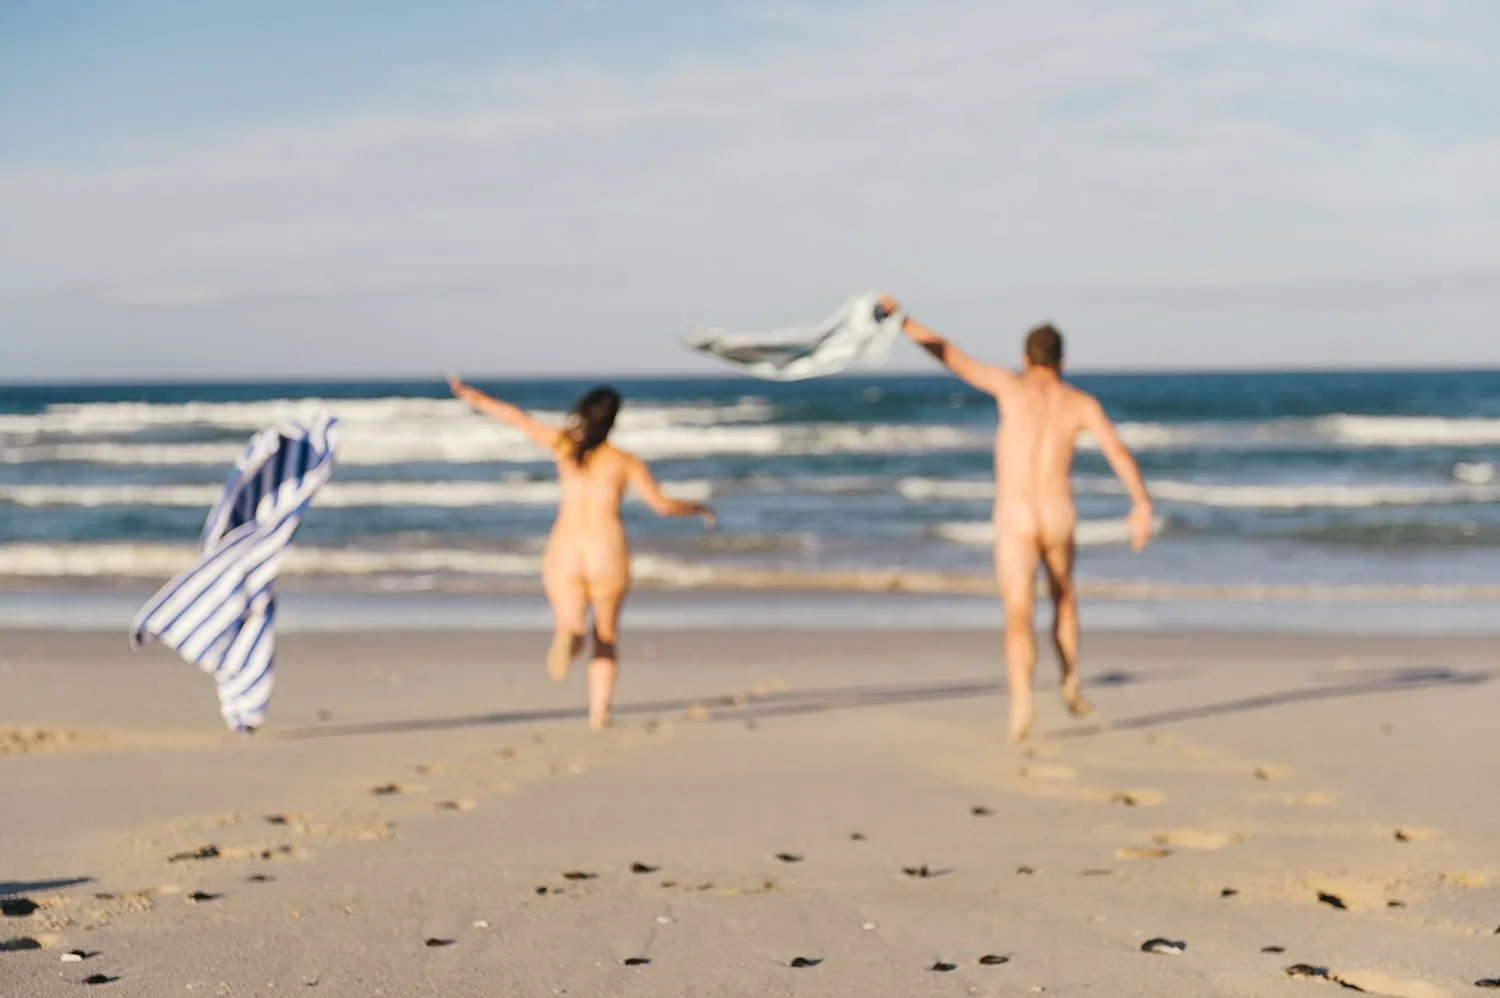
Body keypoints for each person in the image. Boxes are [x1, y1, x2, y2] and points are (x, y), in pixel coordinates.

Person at [877, 296, 1154, 743]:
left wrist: (902, 321)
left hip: (1016, 515)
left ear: (1026, 358)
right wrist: (1141, 504)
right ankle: (1069, 681)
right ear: (1062, 360)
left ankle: (1022, 704)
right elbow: (1118, 453)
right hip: (1058, 512)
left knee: (1017, 613)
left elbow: (950, 355)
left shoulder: (1010, 386)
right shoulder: (1080, 403)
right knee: (1064, 598)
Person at [448, 377, 715, 730]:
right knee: (606, 635)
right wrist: (694, 507)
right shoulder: (624, 461)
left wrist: (475, 397)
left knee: (571, 622)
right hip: (607, 549)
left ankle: (569, 637)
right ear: (613, 419)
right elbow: (661, 505)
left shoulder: (564, 445)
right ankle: (598, 714)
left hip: (566, 546)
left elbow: (517, 419)